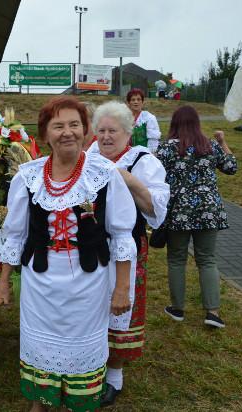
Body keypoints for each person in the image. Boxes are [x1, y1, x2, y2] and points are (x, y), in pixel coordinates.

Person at [0, 96, 136, 412]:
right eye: (58, 126)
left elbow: (123, 235)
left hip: (89, 284)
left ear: (87, 132)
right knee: (41, 348)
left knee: (80, 352)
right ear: (45, 135)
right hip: (40, 284)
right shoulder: (27, 177)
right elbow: (15, 235)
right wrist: (3, 283)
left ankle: (77, 404)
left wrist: (122, 288)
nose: (67, 132)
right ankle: (42, 403)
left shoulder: (104, 174)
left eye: (75, 124)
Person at [88, 101, 170, 407]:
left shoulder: (143, 161)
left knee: (121, 307)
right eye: (101, 131)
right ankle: (89, 366)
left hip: (127, 247)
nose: (106, 137)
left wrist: (123, 175)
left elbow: (155, 210)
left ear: (128, 133)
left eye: (113, 131)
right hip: (89, 247)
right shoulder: (89, 157)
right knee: (92, 307)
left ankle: (114, 377)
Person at [157, 105, 238, 329]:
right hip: (208, 211)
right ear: (197, 123)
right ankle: (212, 312)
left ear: (175, 123)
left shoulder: (167, 148)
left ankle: (177, 309)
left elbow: (153, 175)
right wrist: (222, 142)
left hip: (179, 212)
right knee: (207, 259)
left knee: (176, 259)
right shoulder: (210, 146)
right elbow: (231, 167)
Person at [126, 88, 162, 152]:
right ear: (129, 103)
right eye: (133, 100)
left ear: (142, 102)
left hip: (143, 156)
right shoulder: (124, 118)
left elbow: (153, 141)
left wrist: (149, 156)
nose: (136, 102)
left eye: (138, 99)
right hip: (126, 155)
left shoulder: (149, 118)